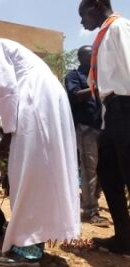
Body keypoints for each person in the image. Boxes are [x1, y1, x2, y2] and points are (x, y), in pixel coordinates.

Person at [0, 33, 80, 265]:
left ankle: (27, 250)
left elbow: (6, 88)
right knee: (39, 173)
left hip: (35, 101)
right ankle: (31, 241)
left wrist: (8, 131)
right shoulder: (12, 48)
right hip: (46, 99)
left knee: (27, 175)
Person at [79, 0, 130, 255]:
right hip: (111, 113)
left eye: (83, 15)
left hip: (126, 106)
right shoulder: (104, 35)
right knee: (108, 172)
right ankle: (124, 237)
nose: (81, 22)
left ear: (96, 6)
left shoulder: (120, 27)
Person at [65, 45, 109, 227]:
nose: (94, 58)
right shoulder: (74, 75)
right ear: (81, 57)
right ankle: (90, 210)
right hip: (85, 129)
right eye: (91, 55)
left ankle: (91, 201)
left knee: (105, 169)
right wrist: (95, 89)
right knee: (89, 169)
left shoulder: (100, 75)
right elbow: (74, 96)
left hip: (103, 128)